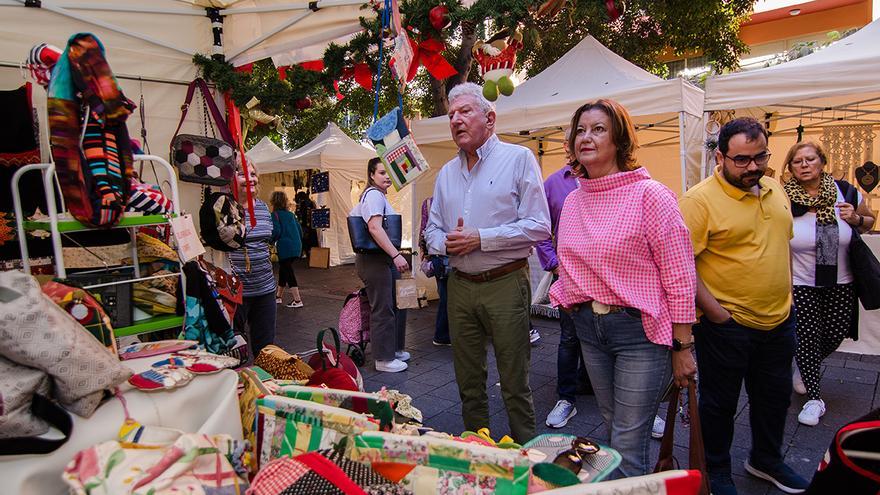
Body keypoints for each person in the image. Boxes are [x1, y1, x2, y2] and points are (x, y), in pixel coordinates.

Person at [548, 99, 697, 478]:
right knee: (614, 430)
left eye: (598, 129)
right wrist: (567, 296)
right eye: (580, 130)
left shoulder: (651, 195)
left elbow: (680, 275)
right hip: (589, 330)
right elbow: (568, 260)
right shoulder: (574, 200)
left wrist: (683, 347)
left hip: (638, 333)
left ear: (620, 139)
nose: (586, 137)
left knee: (627, 442)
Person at [679, 117, 809, 495]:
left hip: (779, 319)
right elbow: (682, 266)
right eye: (741, 160)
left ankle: (766, 460)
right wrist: (717, 314)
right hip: (727, 325)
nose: (753, 167)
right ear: (720, 157)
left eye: (760, 157)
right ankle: (716, 470)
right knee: (719, 403)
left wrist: (787, 295)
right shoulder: (698, 201)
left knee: (775, 397)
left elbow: (783, 243)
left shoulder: (774, 187)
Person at [424, 82, 551, 443]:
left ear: (490, 118)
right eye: (451, 114)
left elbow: (540, 226)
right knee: (468, 381)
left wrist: (481, 238)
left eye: (465, 111)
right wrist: (445, 244)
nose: (455, 120)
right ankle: (476, 450)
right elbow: (432, 229)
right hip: (460, 286)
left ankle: (525, 453)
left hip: (505, 283)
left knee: (514, 381)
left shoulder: (518, 159)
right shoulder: (446, 173)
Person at [782, 141, 875, 426]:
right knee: (808, 338)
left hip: (842, 281)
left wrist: (855, 217)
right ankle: (814, 399)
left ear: (822, 162)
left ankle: (803, 365)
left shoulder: (845, 191)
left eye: (810, 159)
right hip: (801, 283)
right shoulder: (784, 198)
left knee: (835, 334)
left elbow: (869, 221)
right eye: (798, 161)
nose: (804, 165)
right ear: (790, 168)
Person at [537, 128, 593, 429]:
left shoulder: (609, 177)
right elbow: (540, 231)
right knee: (570, 338)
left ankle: (600, 389)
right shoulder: (553, 184)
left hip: (606, 279)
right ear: (565, 146)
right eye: (574, 140)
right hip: (569, 278)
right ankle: (566, 398)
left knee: (609, 339)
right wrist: (556, 266)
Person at [351, 157, 410, 373]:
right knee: (383, 307)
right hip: (374, 259)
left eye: (388, 173)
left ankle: (393, 350)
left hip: (379, 258)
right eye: (381, 172)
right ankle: (384, 359)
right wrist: (396, 255)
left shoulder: (377, 196)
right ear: (371, 175)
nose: (386, 176)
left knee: (394, 304)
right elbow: (375, 228)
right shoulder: (374, 195)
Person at [229, 160, 278, 358]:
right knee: (234, 351)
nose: (250, 179)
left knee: (266, 352)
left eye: (253, 174)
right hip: (235, 293)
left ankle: (262, 379)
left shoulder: (263, 208)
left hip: (265, 289)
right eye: (242, 174)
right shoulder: (224, 207)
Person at [418, 196, 451, 346]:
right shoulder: (430, 202)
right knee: (447, 297)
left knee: (445, 295)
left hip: (438, 255)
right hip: (446, 255)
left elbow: (423, 230)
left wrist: (424, 253)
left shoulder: (428, 202)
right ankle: (442, 335)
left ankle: (444, 334)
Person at [270, 190, 305, 308]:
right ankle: (278, 296)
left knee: (288, 272)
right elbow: (300, 231)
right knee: (284, 270)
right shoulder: (291, 214)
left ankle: (297, 300)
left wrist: (270, 241)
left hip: (285, 247)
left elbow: (276, 231)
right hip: (296, 246)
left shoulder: (274, 215)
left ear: (273, 202)